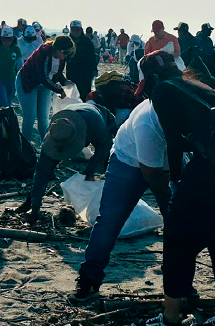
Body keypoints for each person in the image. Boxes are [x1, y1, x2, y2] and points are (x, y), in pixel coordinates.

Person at [130, 76, 215, 326]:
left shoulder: (164, 89)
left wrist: (175, 180)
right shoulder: (197, 87)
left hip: (213, 167)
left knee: (178, 236)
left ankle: (169, 320)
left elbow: (173, 140)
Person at [68, 52, 180, 305]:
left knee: (178, 226)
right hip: (128, 162)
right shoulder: (148, 120)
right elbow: (152, 173)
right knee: (110, 221)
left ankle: (178, 285)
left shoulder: (188, 99)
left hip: (165, 163)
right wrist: (170, 194)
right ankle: (88, 280)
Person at [19, 102, 117, 224]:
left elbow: (105, 145)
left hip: (101, 118)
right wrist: (35, 208)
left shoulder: (96, 125)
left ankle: (107, 202)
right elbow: (41, 172)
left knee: (105, 165)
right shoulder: (56, 132)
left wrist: (90, 171)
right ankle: (31, 203)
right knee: (45, 169)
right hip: (76, 119)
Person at [18, 36, 75, 147]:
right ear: (58, 49)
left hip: (44, 85)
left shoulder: (61, 58)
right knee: (30, 116)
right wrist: (59, 90)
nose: (66, 55)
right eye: (65, 52)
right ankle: (25, 146)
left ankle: (46, 145)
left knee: (44, 117)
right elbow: (43, 77)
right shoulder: (43, 54)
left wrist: (65, 82)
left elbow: (56, 73)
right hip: (28, 83)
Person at [0, 26, 23, 107]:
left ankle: (6, 118)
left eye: (9, 40)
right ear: (1, 39)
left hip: (12, 80)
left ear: (12, 39)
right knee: (4, 103)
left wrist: (21, 77)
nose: (7, 42)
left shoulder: (16, 49)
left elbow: (20, 65)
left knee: (9, 102)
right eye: (4, 40)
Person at [66, 20, 98, 100]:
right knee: (72, 94)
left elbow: (92, 56)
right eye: (73, 29)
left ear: (81, 30)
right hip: (72, 71)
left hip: (86, 72)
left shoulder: (87, 41)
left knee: (85, 93)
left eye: (77, 29)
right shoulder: (67, 41)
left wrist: (94, 69)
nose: (75, 32)